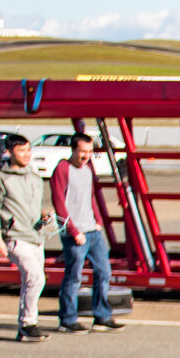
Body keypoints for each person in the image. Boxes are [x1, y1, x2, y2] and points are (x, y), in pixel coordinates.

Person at [0, 134, 56, 343]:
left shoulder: (34, 176)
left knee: (31, 281)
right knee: (36, 277)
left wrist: (43, 215)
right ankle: (28, 323)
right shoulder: (0, 178)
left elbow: (32, 206)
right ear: (9, 152)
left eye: (28, 150)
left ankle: (25, 326)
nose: (26, 154)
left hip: (35, 236)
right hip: (15, 237)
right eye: (21, 151)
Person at [51, 135, 118, 333]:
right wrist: (73, 231)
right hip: (76, 233)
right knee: (74, 276)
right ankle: (67, 318)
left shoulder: (87, 169)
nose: (86, 156)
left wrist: (98, 222)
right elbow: (59, 204)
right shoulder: (63, 169)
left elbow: (90, 198)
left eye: (89, 152)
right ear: (73, 150)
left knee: (104, 271)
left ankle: (102, 316)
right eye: (82, 152)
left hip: (92, 230)